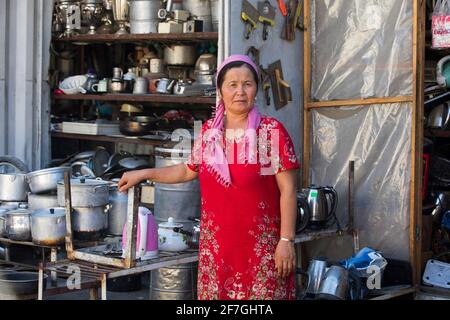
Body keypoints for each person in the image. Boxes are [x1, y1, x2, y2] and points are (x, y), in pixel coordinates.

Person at [118, 54, 299, 300]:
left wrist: (286, 240)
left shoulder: (269, 132)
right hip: (218, 253)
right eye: (232, 84)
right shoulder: (209, 134)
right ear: (221, 90)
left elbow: (288, 190)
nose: (240, 91)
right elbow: (186, 171)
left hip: (262, 252)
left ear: (256, 88)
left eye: (247, 84)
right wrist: (144, 172)